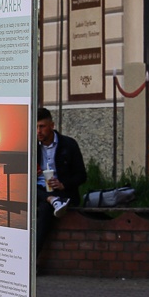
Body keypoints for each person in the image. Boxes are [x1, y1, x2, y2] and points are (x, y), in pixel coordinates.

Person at [35, 107, 86, 255]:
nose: (38, 131)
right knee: (31, 192)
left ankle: (32, 261)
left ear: (52, 125)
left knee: (45, 209)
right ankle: (51, 200)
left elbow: (82, 175)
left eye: (42, 126)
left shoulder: (68, 145)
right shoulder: (31, 147)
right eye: (36, 127)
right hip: (38, 191)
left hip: (62, 192)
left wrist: (63, 184)